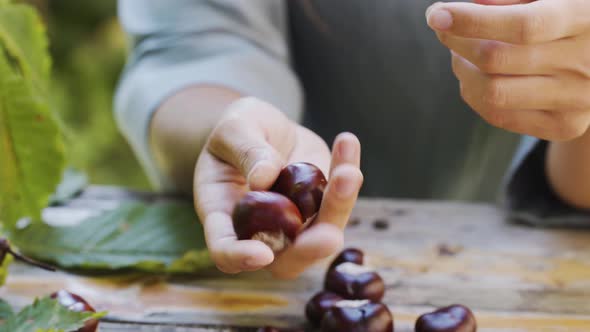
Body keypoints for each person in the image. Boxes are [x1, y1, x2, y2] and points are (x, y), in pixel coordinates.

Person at [114, 0, 590, 279]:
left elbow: (574, 185)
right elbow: (192, 47)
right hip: (282, 271)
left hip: (512, 265)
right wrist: (231, 127)